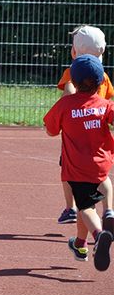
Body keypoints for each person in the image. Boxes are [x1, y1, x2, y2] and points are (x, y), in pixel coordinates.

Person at [44, 54, 114, 271]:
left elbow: (51, 130)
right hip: (101, 164)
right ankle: (80, 244)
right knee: (90, 200)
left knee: (85, 207)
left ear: (72, 82)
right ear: (102, 82)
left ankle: (98, 234)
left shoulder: (65, 105)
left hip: (77, 168)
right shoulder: (105, 105)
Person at [54, 25, 114, 227]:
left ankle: (70, 208)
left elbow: (68, 97)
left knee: (68, 170)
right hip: (98, 135)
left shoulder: (72, 73)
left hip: (76, 137)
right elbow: (108, 98)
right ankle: (108, 211)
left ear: (74, 51)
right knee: (101, 175)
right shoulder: (102, 76)